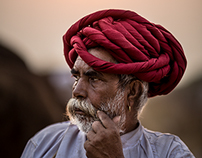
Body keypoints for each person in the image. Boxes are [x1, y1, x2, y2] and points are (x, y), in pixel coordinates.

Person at [21, 9, 195, 158]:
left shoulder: (169, 152)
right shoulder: (45, 142)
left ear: (132, 91)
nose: (77, 91)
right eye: (76, 78)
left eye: (94, 79)